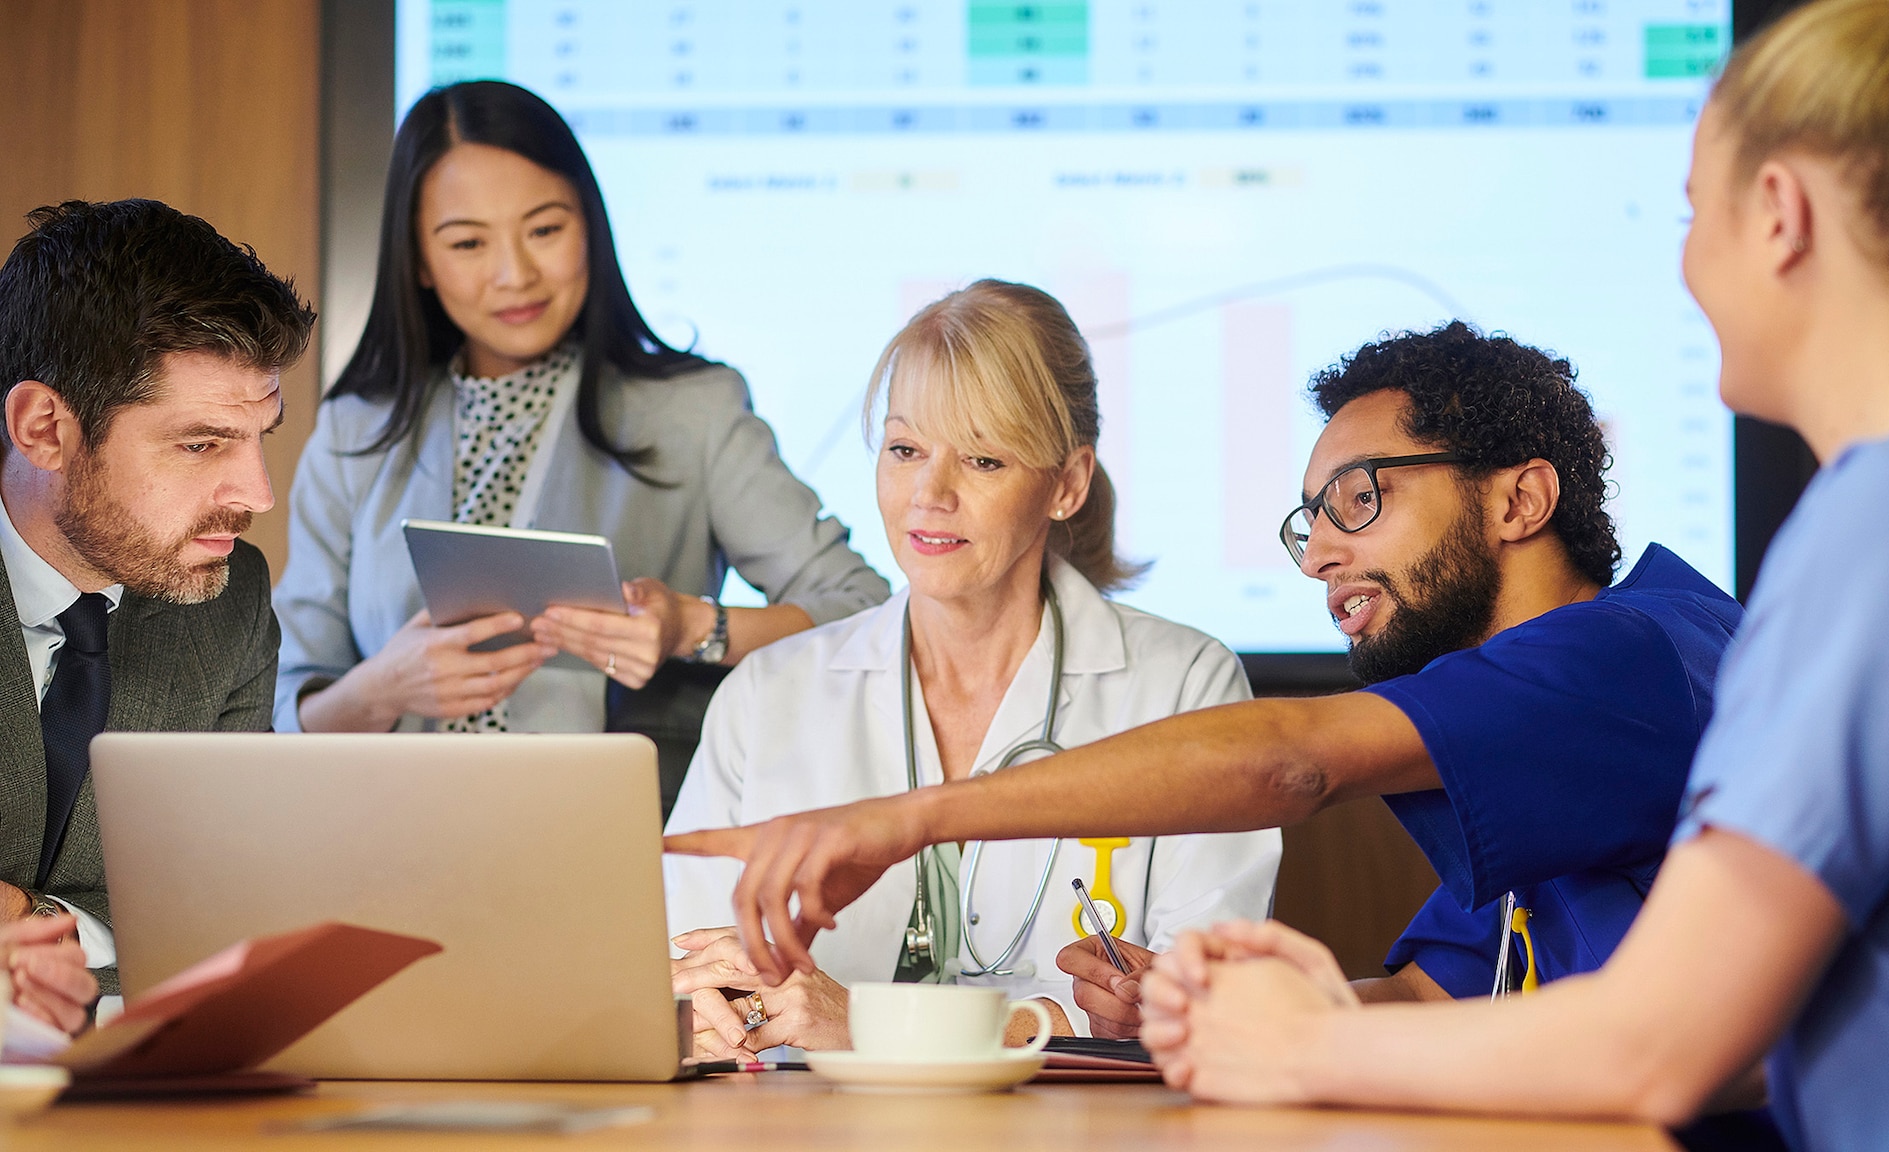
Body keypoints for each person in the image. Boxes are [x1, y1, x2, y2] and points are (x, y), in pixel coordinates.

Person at [1124, 2, 1889, 1148]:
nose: (1681, 261)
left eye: (1687, 213)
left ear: (1775, 216)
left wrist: (1295, 1043)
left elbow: (1666, 1041)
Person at [667, 315, 1759, 1108]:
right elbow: (1430, 998)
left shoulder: (1634, 654)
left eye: (1360, 500)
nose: (1321, 550)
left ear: (1518, 499)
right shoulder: (1543, 740)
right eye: (1309, 519)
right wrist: (1176, 1018)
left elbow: (1296, 762)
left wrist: (909, 818)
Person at [662, 280, 1280, 1054]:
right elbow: (683, 972)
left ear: (1067, 484)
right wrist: (720, 1016)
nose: (929, 494)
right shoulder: (766, 695)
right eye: (904, 449)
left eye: (983, 458)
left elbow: (1200, 1011)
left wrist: (865, 1026)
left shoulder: (1187, 685)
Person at [274, 81, 887, 808]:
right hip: (388, 842)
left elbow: (862, 605)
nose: (515, 274)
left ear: (590, 227)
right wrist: (381, 689)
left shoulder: (692, 410)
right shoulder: (357, 431)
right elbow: (282, 707)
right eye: (469, 242)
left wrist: (694, 625)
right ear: (418, 262)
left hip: (623, 839)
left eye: (545, 229)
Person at [0, 198, 315, 998]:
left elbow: (222, 907)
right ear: (45, 428)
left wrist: (44, 928)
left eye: (260, 437)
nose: (257, 496)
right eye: (201, 444)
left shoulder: (229, 600)